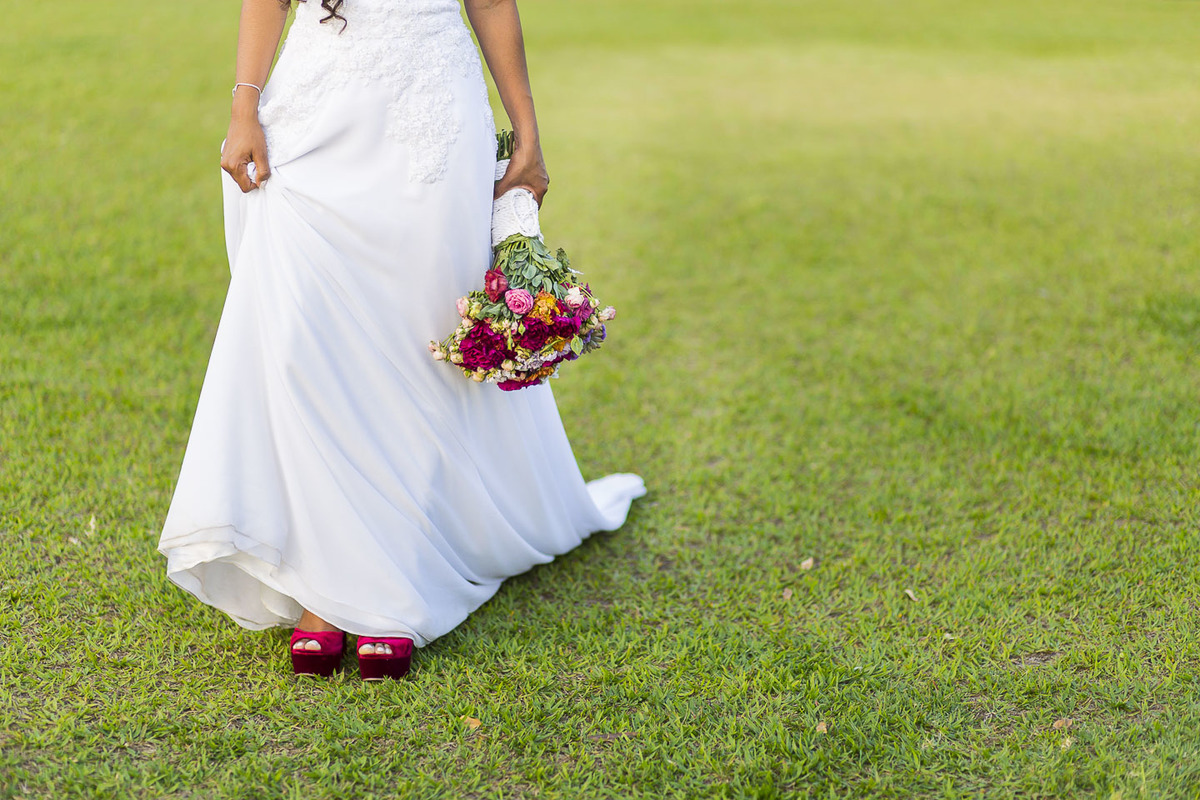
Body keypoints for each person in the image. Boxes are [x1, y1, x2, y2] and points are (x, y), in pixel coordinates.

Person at [157, 0, 645, 680]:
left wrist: (527, 131)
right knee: (302, 338)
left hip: (430, 115)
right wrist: (244, 106)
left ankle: (388, 586)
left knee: (415, 345)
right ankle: (324, 587)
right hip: (313, 111)